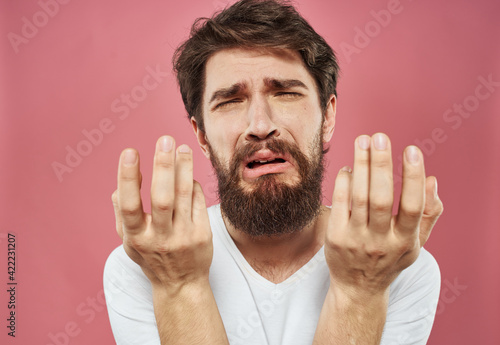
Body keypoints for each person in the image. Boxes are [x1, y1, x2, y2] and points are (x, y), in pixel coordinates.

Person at [103, 0, 444, 344]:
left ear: (328, 118)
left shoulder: (396, 266)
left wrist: (362, 289)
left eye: (285, 93)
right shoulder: (147, 266)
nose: (261, 125)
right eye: (230, 101)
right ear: (202, 136)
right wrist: (178, 285)